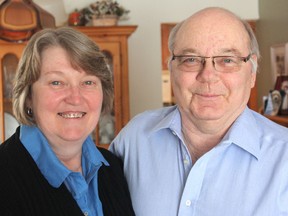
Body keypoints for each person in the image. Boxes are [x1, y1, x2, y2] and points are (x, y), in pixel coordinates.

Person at [109, 7, 288, 216]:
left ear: (252, 71)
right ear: (172, 68)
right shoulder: (134, 139)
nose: (208, 76)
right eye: (191, 59)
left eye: (227, 60)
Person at [0, 27, 135, 216]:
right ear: (28, 94)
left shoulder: (114, 168)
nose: (75, 98)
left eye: (88, 82)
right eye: (57, 82)